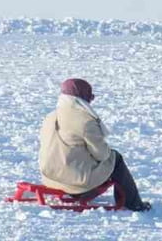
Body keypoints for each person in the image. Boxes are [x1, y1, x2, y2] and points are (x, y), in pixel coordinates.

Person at [38, 78, 151, 212]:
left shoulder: (50, 116)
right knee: (115, 158)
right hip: (75, 184)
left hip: (50, 179)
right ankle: (134, 204)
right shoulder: (85, 120)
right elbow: (102, 155)